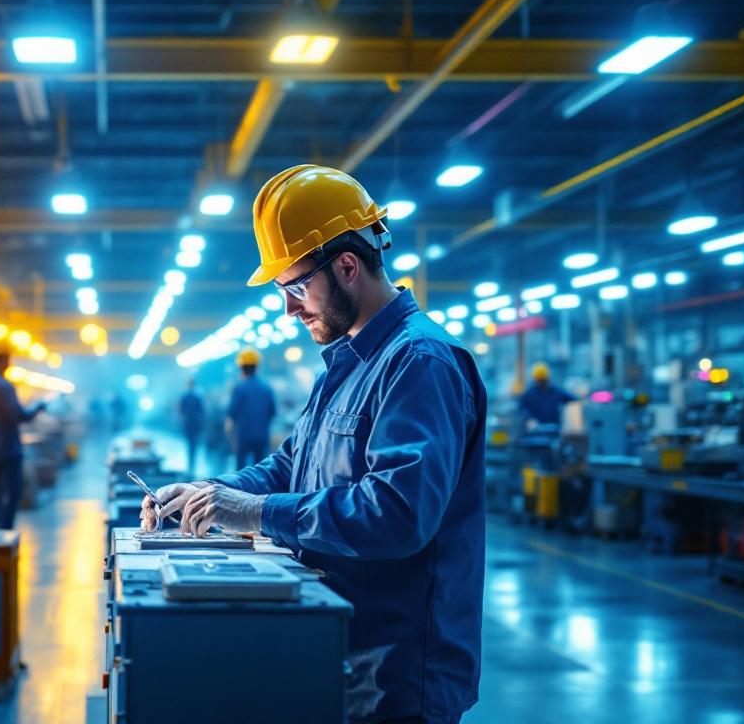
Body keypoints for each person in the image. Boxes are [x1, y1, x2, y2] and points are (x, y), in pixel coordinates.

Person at [143, 165, 486, 724]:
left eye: (297, 287)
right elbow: (289, 466)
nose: (290, 308)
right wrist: (209, 492)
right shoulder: (345, 363)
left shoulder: (419, 363)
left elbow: (398, 514)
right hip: (338, 645)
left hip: (396, 671)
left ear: (348, 266)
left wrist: (257, 512)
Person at [0, 345, 46, 529]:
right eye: (7, 362)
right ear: (1, 361)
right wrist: (37, 409)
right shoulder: (4, 387)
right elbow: (18, 415)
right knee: (13, 492)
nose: (9, 365)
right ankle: (5, 531)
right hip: (8, 448)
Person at [227, 348, 276, 469]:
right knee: (259, 470)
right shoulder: (266, 388)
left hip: (243, 435)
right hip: (261, 436)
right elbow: (272, 412)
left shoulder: (239, 388)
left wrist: (231, 437)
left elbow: (232, 415)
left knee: (240, 470)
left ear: (241, 367)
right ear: (257, 367)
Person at [518, 362, 573, 427]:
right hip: (536, 429)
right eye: (540, 381)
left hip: (554, 428)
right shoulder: (529, 395)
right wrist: (529, 418)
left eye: (543, 380)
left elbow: (572, 398)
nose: (542, 383)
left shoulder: (556, 392)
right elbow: (522, 409)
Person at [178, 378, 205, 471]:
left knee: (190, 441)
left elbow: (180, 410)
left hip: (189, 422)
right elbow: (201, 411)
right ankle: (192, 458)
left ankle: (191, 459)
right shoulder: (197, 397)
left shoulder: (184, 397)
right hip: (194, 422)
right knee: (193, 441)